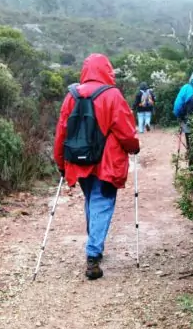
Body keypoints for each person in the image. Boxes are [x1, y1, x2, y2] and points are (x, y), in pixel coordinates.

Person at [53, 53, 140, 280]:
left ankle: (95, 245)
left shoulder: (71, 96)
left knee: (92, 200)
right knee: (102, 202)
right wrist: (134, 146)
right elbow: (125, 130)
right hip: (106, 162)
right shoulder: (112, 95)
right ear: (107, 70)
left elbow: (61, 131)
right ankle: (93, 255)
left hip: (78, 161)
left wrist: (60, 161)